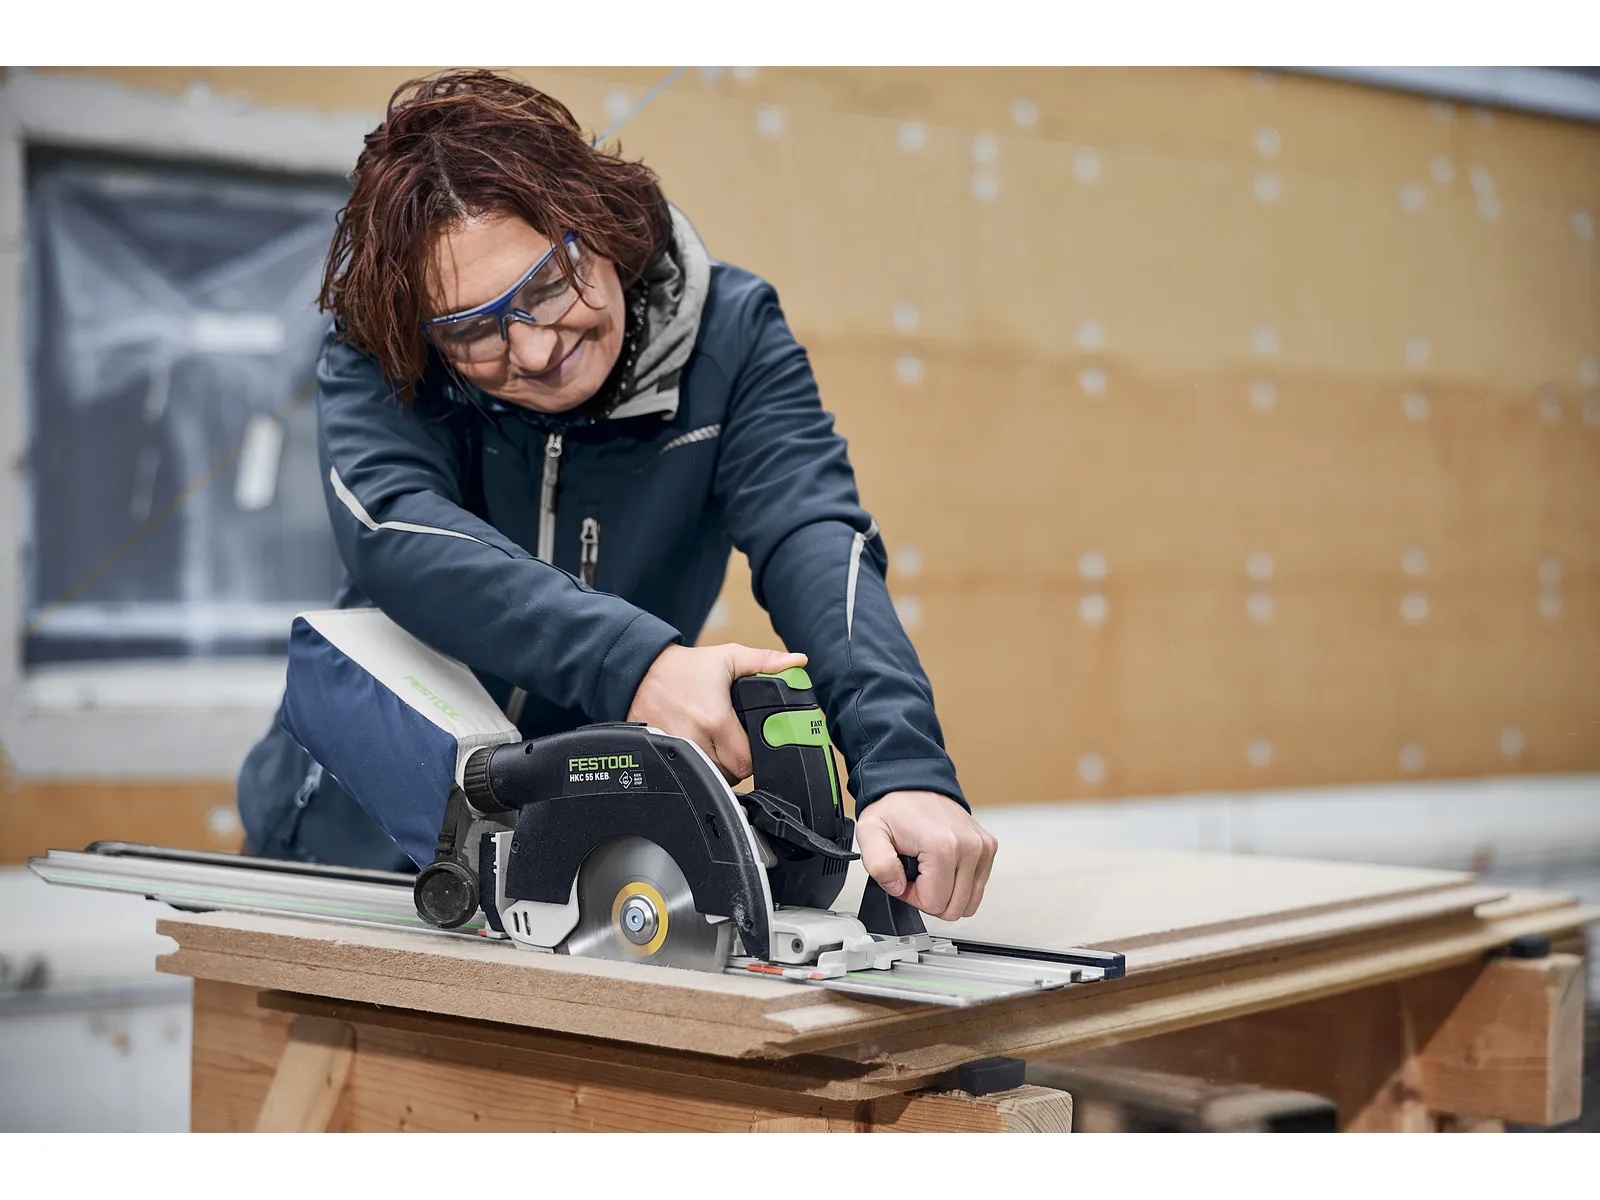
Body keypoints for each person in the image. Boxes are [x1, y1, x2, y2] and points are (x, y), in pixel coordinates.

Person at [236, 69, 998, 923]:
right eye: (474, 329)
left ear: (596, 214)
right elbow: (395, 527)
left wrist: (905, 769)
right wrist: (634, 665)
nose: (532, 350)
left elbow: (813, 536)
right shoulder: (385, 349)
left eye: (545, 285)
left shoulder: (733, 334)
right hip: (346, 843)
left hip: (563, 855)